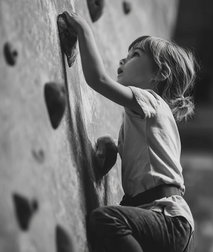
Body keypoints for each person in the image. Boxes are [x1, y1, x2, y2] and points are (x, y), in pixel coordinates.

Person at [62, 11, 197, 252]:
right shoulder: (146, 119)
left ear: (159, 73)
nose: (123, 61)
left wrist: (83, 31)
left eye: (135, 55)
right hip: (163, 220)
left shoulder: (152, 102)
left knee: (107, 219)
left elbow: (99, 80)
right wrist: (112, 149)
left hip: (168, 220)